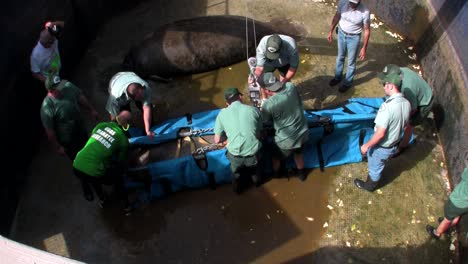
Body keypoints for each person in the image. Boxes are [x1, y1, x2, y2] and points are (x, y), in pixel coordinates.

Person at [354, 73, 411, 191]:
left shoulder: (387, 107)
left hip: (383, 146)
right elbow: (405, 124)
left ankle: (370, 186)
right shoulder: (407, 103)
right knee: (381, 160)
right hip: (395, 142)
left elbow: (380, 133)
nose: (383, 87)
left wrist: (366, 146)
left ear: (390, 86)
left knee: (375, 167)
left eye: (384, 84)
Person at [72, 110, 133, 214]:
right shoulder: (122, 139)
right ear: (126, 126)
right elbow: (121, 161)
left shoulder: (100, 125)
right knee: (117, 175)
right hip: (93, 170)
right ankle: (127, 206)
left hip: (76, 164)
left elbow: (97, 142)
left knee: (93, 177)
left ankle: (102, 199)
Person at [259, 72, 309, 181]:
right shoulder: (291, 87)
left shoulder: (268, 105)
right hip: (303, 133)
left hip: (286, 141)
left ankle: (277, 173)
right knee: (298, 152)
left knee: (275, 155)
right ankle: (302, 174)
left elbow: (265, 122)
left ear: (267, 90)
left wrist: (263, 103)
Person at [214, 87, 263, 194]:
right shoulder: (254, 110)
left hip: (235, 155)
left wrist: (225, 139)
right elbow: (259, 132)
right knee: (255, 171)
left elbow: (217, 140)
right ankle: (257, 183)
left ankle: (238, 190)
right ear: (240, 97)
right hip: (253, 153)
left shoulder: (221, 114)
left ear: (227, 103)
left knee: (236, 175)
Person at [40, 75, 99, 159]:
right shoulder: (47, 106)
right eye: (58, 87)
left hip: (80, 129)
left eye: (60, 84)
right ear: (51, 90)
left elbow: (80, 96)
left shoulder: (67, 85)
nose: (62, 87)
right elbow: (50, 131)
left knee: (89, 148)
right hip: (68, 139)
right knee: (78, 158)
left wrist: (92, 110)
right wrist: (58, 147)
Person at [377, 64, 433, 151]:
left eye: (387, 81)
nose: (385, 84)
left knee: (409, 124)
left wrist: (402, 119)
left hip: (424, 102)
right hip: (417, 91)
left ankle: (402, 146)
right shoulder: (400, 70)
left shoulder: (407, 88)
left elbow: (413, 109)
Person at [327, 0, 371, 93]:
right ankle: (337, 77)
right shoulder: (342, 3)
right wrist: (330, 31)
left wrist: (364, 47)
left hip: (354, 38)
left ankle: (347, 83)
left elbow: (367, 30)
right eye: (351, 2)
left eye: (355, 3)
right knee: (340, 57)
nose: (352, 4)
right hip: (341, 33)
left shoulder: (365, 12)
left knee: (351, 62)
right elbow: (337, 16)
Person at [426, 152, 468, 240]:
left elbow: (465, 173)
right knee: (457, 215)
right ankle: (450, 224)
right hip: (465, 205)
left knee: (447, 219)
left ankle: (437, 233)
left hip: (456, 202)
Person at [106, 71, 155, 138]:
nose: (142, 96)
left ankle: (151, 128)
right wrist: (116, 127)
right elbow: (113, 115)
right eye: (139, 97)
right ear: (132, 97)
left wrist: (148, 130)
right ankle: (125, 134)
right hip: (114, 82)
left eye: (142, 94)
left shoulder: (145, 87)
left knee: (142, 105)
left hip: (128, 75)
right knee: (125, 113)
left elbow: (146, 108)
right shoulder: (116, 97)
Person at [253, 34, 299, 100]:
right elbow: (259, 68)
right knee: (264, 80)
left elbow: (293, 67)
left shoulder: (291, 46)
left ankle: (282, 98)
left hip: (284, 62)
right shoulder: (262, 44)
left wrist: (283, 82)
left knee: (284, 82)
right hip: (268, 62)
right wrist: (255, 77)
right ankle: (264, 99)